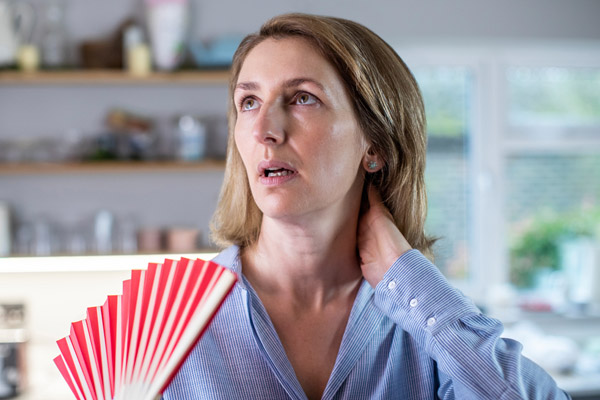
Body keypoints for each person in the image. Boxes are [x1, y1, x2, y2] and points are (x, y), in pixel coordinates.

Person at [164, 13, 570, 400]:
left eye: (302, 98)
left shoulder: (424, 321)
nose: (264, 130)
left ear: (373, 145)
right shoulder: (168, 323)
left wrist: (407, 279)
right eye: (248, 102)